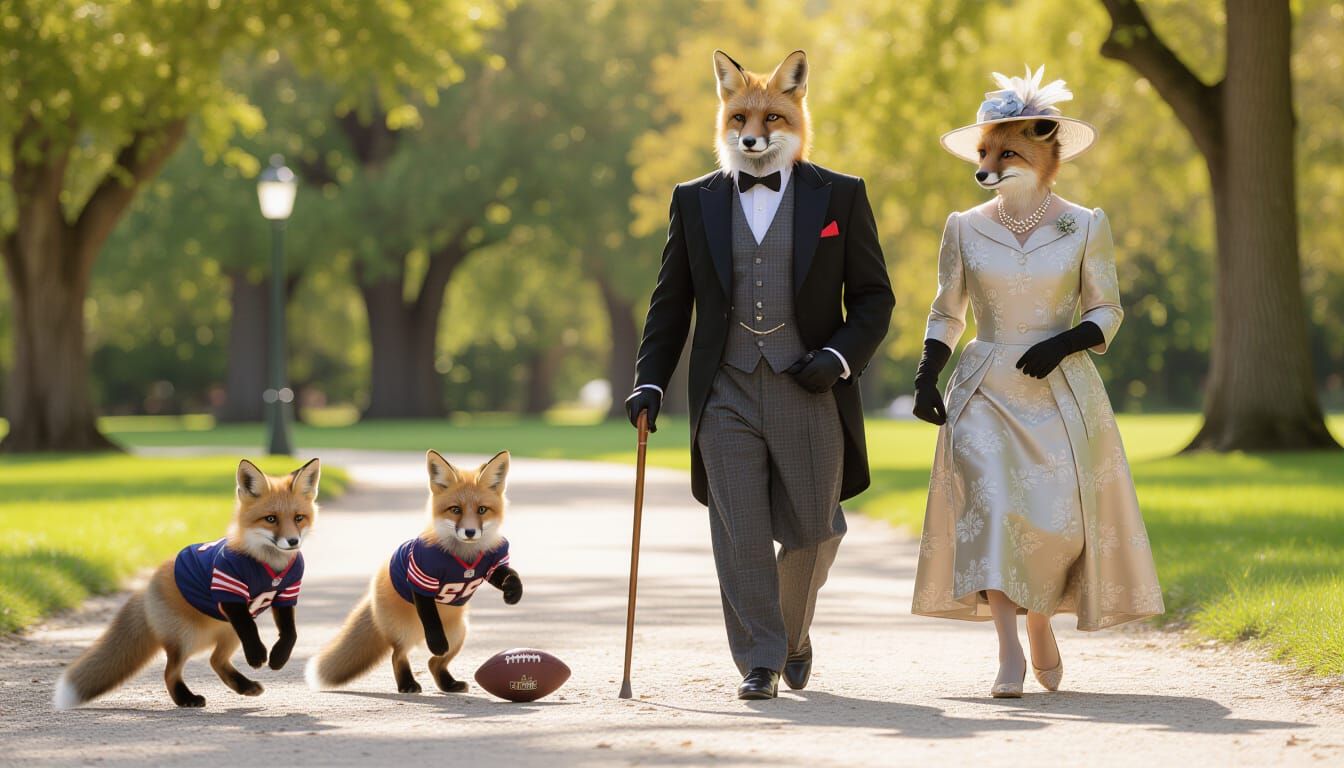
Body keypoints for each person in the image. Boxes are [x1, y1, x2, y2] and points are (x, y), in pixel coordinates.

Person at [625, 49, 894, 700]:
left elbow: (874, 299)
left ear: (798, 106)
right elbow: (671, 301)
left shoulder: (841, 195)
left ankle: (792, 634)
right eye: (740, 114)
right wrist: (651, 379)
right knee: (740, 532)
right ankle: (760, 660)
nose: (755, 130)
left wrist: (836, 357)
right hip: (727, 390)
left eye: (772, 116)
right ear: (723, 112)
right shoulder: (696, 201)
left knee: (815, 529)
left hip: (809, 385)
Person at [910, 67, 1163, 698]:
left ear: (1046, 150)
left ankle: (1042, 623)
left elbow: (1107, 309)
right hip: (985, 389)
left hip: (1058, 392)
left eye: (1007, 154)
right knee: (993, 508)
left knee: (1053, 522)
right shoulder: (964, 226)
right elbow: (947, 311)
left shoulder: (1083, 224)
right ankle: (1006, 652)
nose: (989, 166)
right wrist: (926, 375)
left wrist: (1067, 340)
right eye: (985, 154)